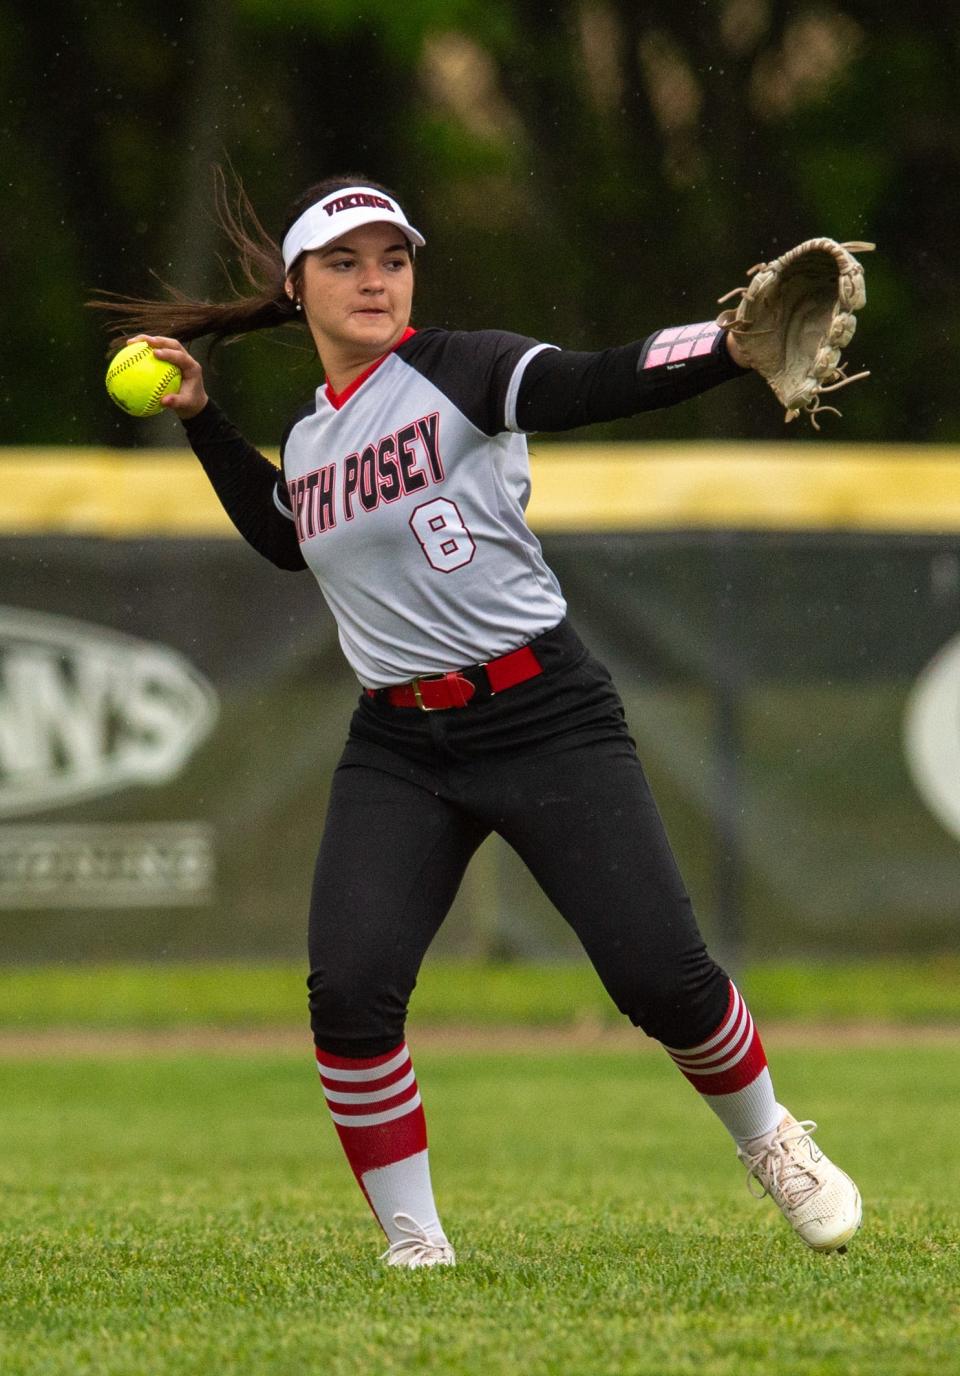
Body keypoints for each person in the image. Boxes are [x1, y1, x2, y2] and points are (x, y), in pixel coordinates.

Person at [91, 173, 862, 1269]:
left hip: (542, 711)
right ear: (297, 285)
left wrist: (725, 351)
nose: (374, 278)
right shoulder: (310, 434)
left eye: (392, 257)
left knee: (658, 976)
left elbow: (593, 382)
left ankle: (774, 1138)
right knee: (350, 991)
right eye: (346, 261)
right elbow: (281, 533)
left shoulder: (464, 369)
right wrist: (205, 419)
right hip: (400, 745)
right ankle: (416, 1240)